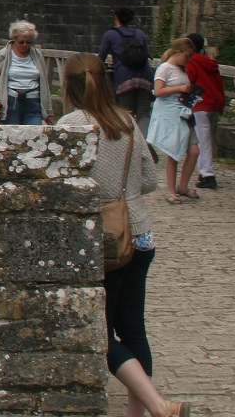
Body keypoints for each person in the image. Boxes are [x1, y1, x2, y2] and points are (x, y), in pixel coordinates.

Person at [59, 54, 188, 417]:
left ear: (68, 86)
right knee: (133, 328)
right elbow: (148, 180)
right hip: (141, 234)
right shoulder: (127, 120)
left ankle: (160, 406)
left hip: (104, 241)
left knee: (99, 332)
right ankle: (141, 412)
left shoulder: (71, 126)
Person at [145, 37, 200, 203]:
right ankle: (171, 190)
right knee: (173, 152)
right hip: (170, 114)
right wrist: (179, 88)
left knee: (194, 151)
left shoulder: (183, 69)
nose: (189, 60)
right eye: (187, 56)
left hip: (183, 112)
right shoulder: (164, 68)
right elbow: (158, 91)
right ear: (178, 52)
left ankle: (182, 186)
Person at [0, 20, 52, 124]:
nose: (25, 45)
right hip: (11, 103)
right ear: (14, 39)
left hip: (33, 103)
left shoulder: (37, 55)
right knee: (11, 136)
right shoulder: (4, 54)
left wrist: (49, 112)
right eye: (21, 42)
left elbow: (45, 85)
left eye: (28, 42)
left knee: (34, 135)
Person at [184, 34, 226, 189]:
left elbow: (190, 81)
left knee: (202, 140)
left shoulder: (192, 62)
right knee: (207, 139)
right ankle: (205, 171)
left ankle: (207, 174)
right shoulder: (210, 63)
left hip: (200, 103)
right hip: (214, 102)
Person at [99, 7, 155, 123]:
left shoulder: (110, 35)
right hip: (145, 76)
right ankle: (144, 139)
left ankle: (128, 140)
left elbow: (100, 59)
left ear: (116, 17)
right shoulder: (139, 33)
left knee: (125, 114)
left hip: (125, 78)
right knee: (144, 114)